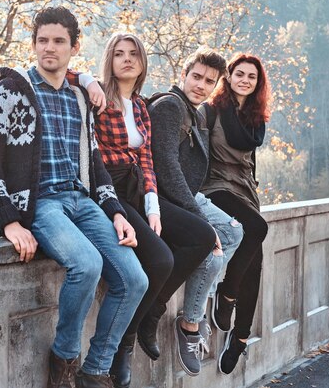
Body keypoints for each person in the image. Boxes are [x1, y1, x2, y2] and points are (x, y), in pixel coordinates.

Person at [0, 7, 148, 388]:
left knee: (134, 279)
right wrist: (9, 219)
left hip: (83, 202)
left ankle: (96, 369)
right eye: (42, 41)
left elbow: (95, 160)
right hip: (41, 205)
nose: (49, 48)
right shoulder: (13, 89)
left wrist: (116, 211)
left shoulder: (80, 97)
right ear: (34, 44)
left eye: (58, 41)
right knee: (86, 264)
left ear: (74, 46)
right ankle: (65, 360)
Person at [90, 33, 215, 388]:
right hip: (109, 190)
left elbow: (146, 163)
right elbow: (63, 75)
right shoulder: (96, 97)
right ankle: (123, 346)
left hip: (138, 190)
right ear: (109, 60)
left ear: (143, 61)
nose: (127, 59)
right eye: (119, 54)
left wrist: (154, 207)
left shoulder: (142, 107)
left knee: (202, 236)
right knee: (160, 260)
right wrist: (85, 79)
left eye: (134, 54)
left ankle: (151, 313)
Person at [144, 47, 244, 377]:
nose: (201, 85)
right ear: (184, 74)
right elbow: (166, 166)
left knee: (235, 231)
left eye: (209, 81)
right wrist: (195, 214)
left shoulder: (197, 113)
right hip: (170, 198)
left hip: (190, 195)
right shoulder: (170, 106)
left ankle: (193, 316)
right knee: (214, 239)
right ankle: (189, 325)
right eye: (196, 77)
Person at [201, 53, 271, 374]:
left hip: (244, 191)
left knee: (255, 263)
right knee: (258, 230)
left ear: (258, 84)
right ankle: (227, 294)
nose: (245, 80)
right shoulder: (213, 111)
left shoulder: (255, 120)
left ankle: (240, 339)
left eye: (251, 77)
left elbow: (249, 162)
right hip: (216, 187)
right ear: (228, 77)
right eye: (239, 74)